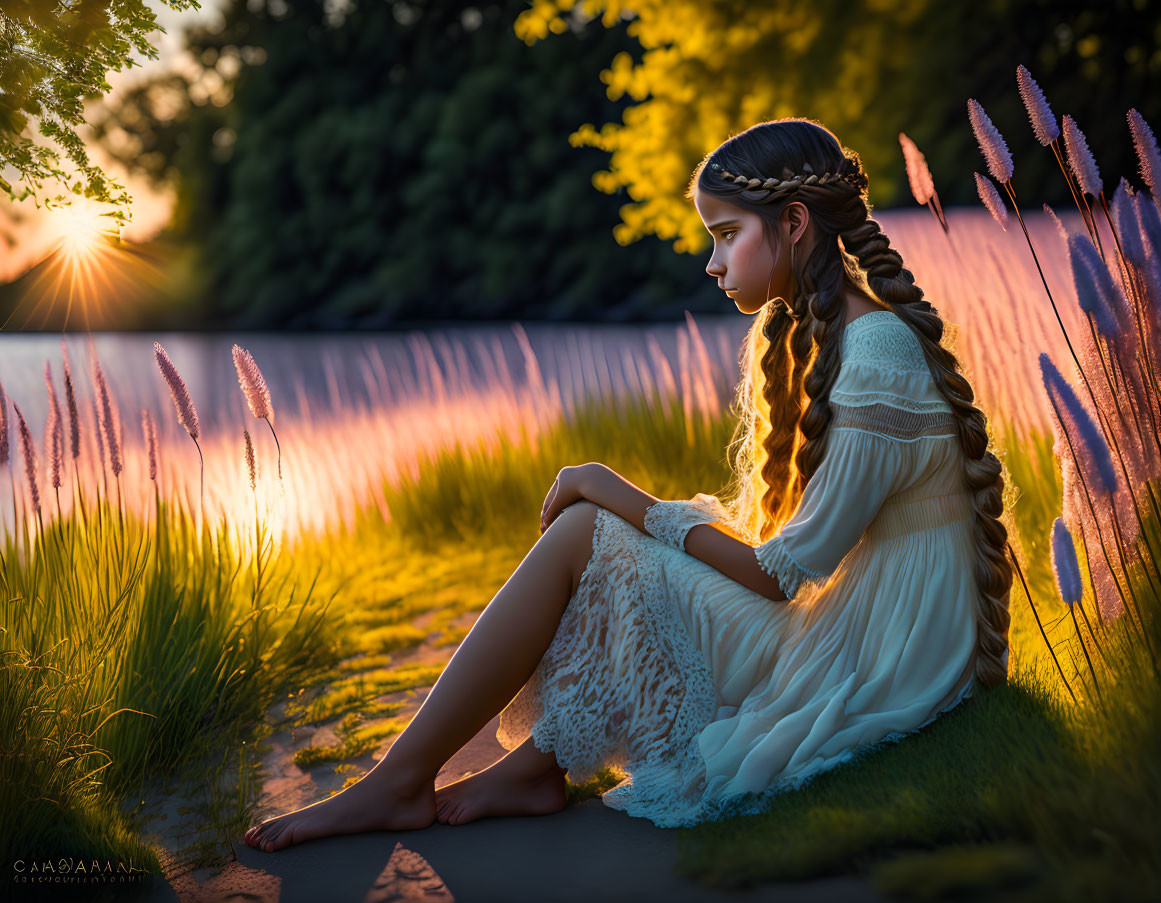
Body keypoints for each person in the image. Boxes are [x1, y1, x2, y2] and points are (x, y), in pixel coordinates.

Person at [243, 118, 1012, 852]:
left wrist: (615, 490)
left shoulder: (876, 350)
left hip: (873, 656)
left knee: (592, 528)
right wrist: (638, 513)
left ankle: (404, 781)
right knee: (616, 539)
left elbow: (780, 576)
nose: (712, 264)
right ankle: (529, 769)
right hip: (868, 623)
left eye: (725, 236)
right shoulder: (844, 333)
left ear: (795, 223)